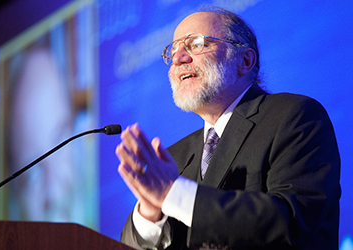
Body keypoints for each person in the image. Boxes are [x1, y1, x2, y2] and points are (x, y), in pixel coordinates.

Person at [115, 6, 340, 250]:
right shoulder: (173, 158)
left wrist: (174, 193)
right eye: (173, 51)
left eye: (196, 44)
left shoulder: (294, 116)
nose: (178, 58)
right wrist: (150, 212)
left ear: (244, 61)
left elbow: (292, 222)